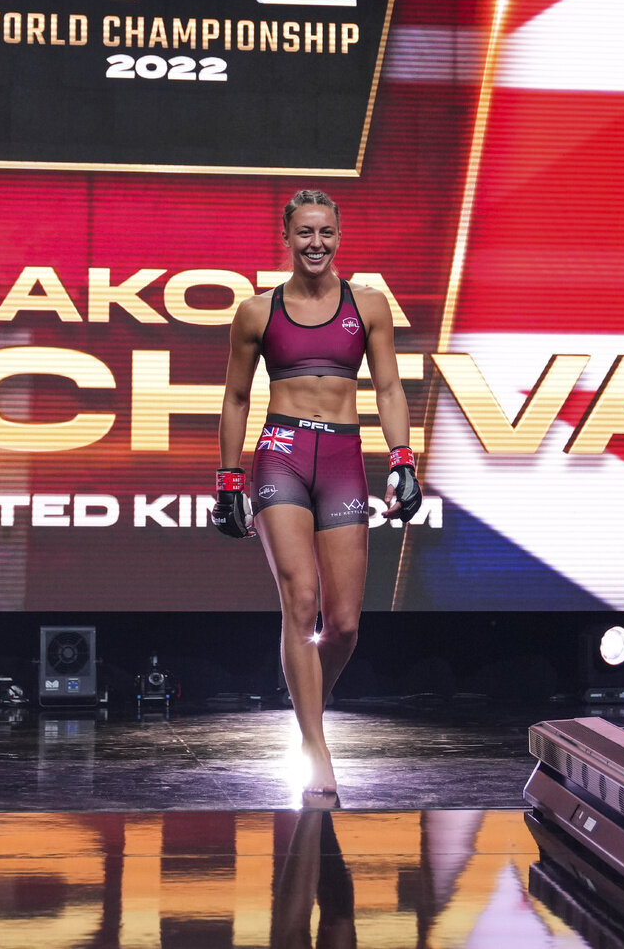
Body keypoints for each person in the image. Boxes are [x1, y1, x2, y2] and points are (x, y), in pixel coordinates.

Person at [213, 189, 421, 801]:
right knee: (300, 601)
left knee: (345, 624)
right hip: (280, 455)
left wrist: (403, 461)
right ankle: (314, 744)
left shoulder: (369, 305)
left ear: (339, 236)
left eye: (325, 232)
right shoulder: (257, 312)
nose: (316, 243)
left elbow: (388, 388)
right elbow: (235, 398)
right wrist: (228, 480)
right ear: (287, 238)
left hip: (343, 460)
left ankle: (309, 704)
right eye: (305, 232)